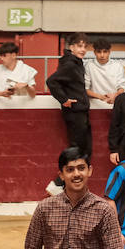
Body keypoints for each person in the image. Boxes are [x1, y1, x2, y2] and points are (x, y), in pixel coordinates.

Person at [46, 34, 92, 194]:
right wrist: (64, 99)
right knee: (78, 151)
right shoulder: (71, 65)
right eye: (79, 46)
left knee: (84, 151)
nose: (83, 49)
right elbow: (51, 81)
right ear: (71, 47)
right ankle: (58, 184)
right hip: (75, 113)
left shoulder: (76, 63)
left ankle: (62, 186)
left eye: (85, 46)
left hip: (80, 112)